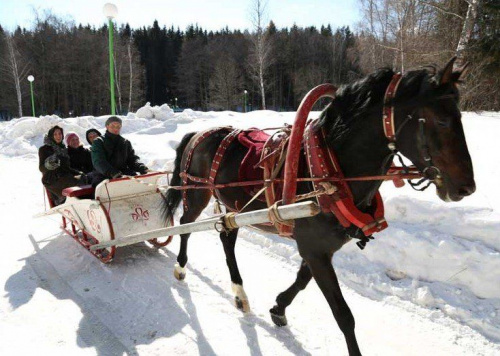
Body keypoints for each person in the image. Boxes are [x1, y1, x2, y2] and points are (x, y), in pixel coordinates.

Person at [90, 116, 149, 186]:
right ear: (107, 126)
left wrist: (141, 167)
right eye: (112, 126)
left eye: (118, 126)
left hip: (123, 173)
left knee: (138, 183)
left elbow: (132, 160)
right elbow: (99, 161)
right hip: (103, 174)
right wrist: (112, 173)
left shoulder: (125, 142)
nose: (116, 128)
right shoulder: (99, 142)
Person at [38, 126, 82, 205]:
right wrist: (50, 163)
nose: (58, 136)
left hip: (63, 175)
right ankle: (59, 199)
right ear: (51, 136)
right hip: (51, 179)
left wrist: (79, 173)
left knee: (82, 178)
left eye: (60, 134)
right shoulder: (44, 149)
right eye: (55, 134)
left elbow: (67, 168)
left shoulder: (63, 149)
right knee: (70, 180)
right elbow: (41, 168)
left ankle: (82, 200)